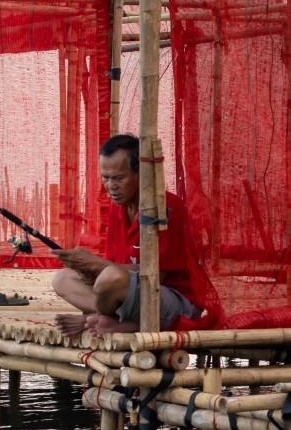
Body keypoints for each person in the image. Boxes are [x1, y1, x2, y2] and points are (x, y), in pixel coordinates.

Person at [53, 133, 213, 336]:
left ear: (140, 174)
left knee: (110, 277)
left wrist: (95, 264)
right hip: (129, 291)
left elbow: (157, 276)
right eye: (106, 177)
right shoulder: (116, 208)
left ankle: (101, 321)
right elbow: (114, 268)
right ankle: (113, 321)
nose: (111, 186)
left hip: (174, 300)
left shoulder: (166, 207)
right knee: (62, 279)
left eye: (119, 178)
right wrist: (86, 267)